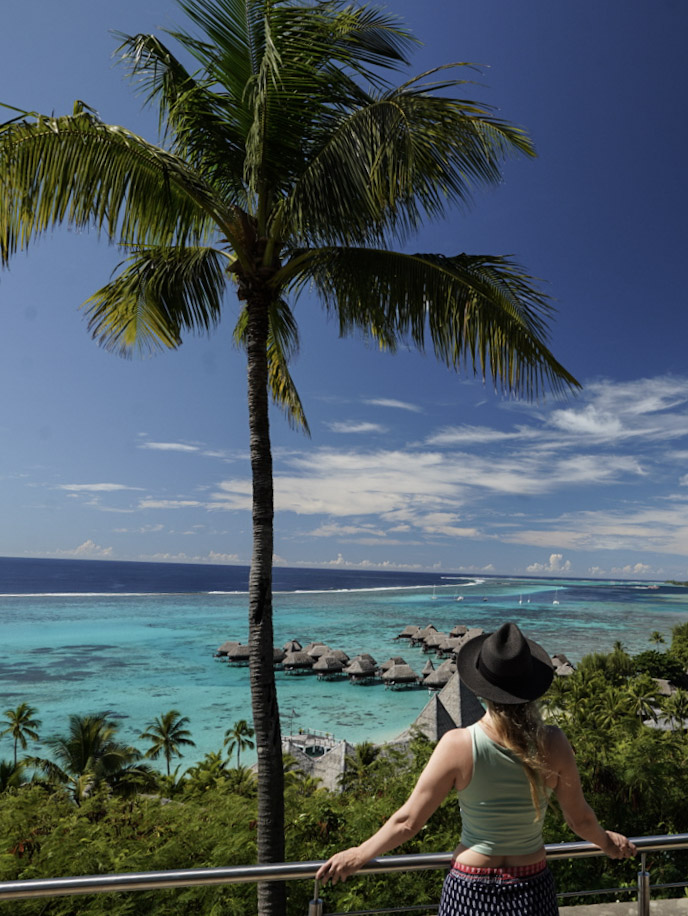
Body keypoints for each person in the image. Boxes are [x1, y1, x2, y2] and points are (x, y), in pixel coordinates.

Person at [316, 622, 636, 915]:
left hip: (470, 885)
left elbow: (408, 821)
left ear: (481, 688)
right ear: (531, 688)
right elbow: (579, 819)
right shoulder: (553, 742)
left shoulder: (458, 744)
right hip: (532, 886)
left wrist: (359, 854)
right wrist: (608, 844)